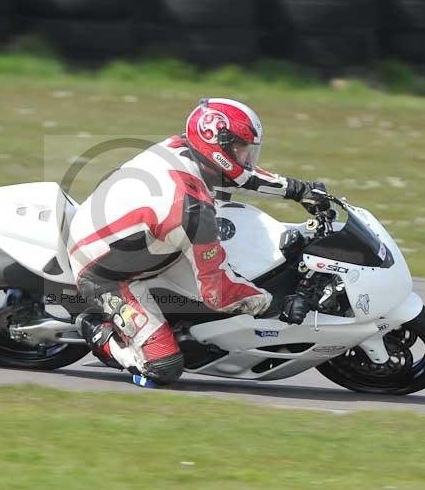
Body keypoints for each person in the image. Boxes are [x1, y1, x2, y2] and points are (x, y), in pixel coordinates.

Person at [66, 98, 329, 386]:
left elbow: (241, 176)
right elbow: (218, 294)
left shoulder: (183, 146)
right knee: (163, 368)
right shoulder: (191, 210)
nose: (247, 159)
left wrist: (299, 190)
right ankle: (94, 328)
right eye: (241, 149)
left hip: (139, 240)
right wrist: (275, 305)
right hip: (105, 273)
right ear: (218, 146)